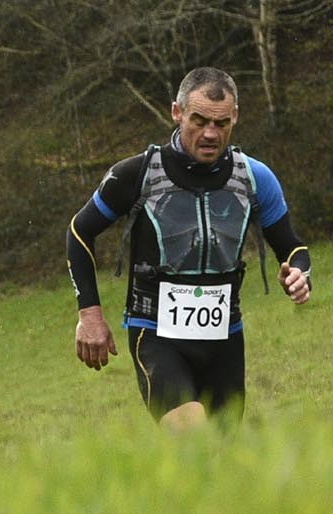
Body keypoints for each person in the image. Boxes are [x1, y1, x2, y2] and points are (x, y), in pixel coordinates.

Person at [66, 67, 312, 428]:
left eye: (221, 123)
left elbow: (292, 248)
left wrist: (300, 274)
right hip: (157, 335)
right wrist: (89, 315)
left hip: (225, 339)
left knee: (223, 454)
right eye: (199, 121)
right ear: (177, 112)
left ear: (235, 117)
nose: (211, 133)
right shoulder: (138, 174)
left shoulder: (254, 178)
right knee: (192, 435)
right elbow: (79, 231)